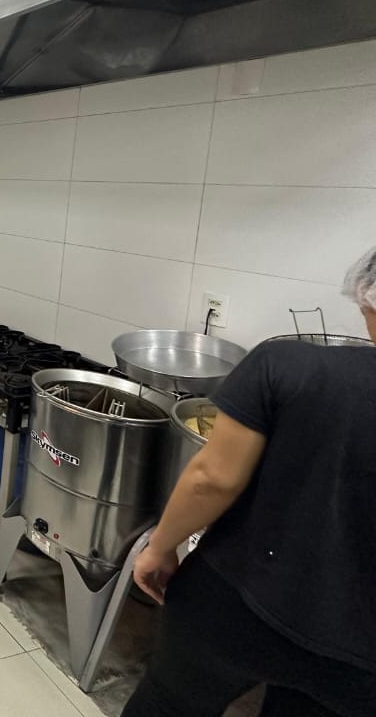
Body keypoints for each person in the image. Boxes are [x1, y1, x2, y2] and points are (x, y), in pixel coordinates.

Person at [122, 247, 376, 717]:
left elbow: (211, 480)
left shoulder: (286, 365)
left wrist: (159, 548)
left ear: (366, 296)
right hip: (359, 657)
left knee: (169, 706)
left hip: (235, 604)